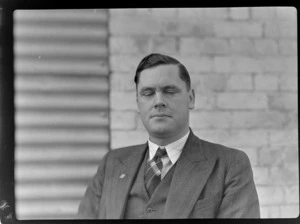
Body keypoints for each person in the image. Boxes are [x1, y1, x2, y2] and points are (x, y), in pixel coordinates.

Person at [77, 53, 260, 219]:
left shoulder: (230, 165)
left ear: (191, 99)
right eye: (148, 93)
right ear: (138, 103)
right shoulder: (112, 164)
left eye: (169, 91)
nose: (158, 102)